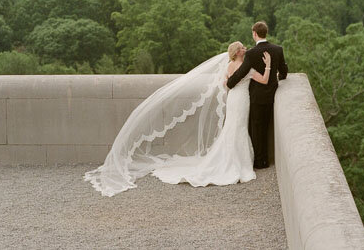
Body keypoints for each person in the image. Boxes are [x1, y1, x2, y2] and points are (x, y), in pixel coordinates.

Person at [85, 35, 273, 196]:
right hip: (241, 100)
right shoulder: (246, 68)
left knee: (233, 128)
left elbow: (225, 84)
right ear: (238, 52)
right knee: (237, 128)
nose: (245, 49)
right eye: (242, 48)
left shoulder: (230, 66)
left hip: (233, 99)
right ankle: (238, 164)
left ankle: (230, 160)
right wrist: (269, 66)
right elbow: (264, 80)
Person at [226, 20, 288, 169]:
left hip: (255, 97)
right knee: (266, 127)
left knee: (256, 129)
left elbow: (241, 73)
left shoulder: (251, 53)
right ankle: (264, 160)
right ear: (265, 32)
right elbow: (284, 71)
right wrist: (279, 77)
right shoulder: (277, 49)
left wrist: (230, 83)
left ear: (254, 34)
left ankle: (260, 161)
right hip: (272, 94)